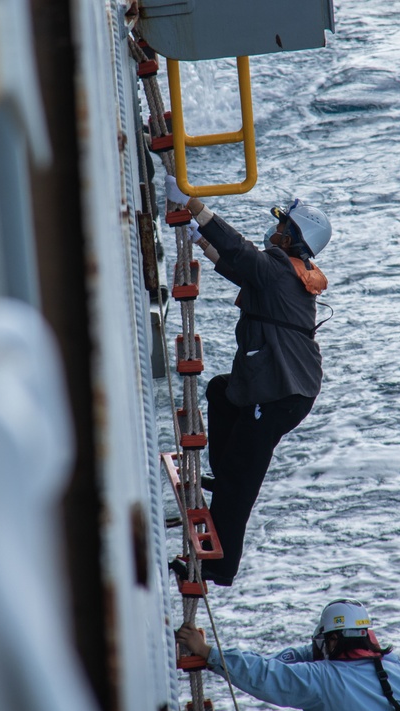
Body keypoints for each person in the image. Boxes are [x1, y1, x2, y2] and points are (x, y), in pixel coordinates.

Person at [165, 175, 332, 586]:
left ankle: (221, 566)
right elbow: (241, 269)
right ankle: (224, 470)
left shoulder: (278, 269)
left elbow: (241, 253)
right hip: (282, 386)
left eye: (282, 228)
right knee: (222, 393)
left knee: (240, 482)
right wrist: (201, 241)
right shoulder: (287, 273)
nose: (275, 231)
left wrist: (197, 209)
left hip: (280, 392)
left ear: (292, 240)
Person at [176, 598, 400, 711]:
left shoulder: (323, 679)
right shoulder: (395, 666)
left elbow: (266, 675)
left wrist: (209, 652)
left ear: (332, 640)